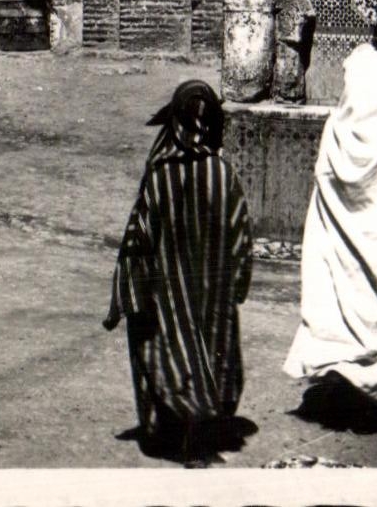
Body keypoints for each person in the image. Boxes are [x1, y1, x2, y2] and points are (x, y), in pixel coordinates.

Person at [103, 80, 253, 466]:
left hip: (168, 295)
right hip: (213, 294)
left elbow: (139, 238)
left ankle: (180, 432)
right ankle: (199, 434)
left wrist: (128, 294)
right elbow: (241, 236)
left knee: (170, 352)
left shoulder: (159, 176)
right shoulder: (223, 175)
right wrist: (238, 282)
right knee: (212, 353)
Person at [283, 42, 377, 416]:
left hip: (338, 245)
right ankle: (374, 392)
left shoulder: (335, 127)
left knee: (337, 311)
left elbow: (323, 179)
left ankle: (340, 381)